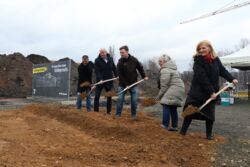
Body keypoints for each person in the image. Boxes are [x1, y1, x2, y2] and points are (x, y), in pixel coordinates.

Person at [180, 40, 238, 140]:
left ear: (210, 48)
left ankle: (208, 135)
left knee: (210, 115)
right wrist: (211, 91)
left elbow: (222, 71)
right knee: (189, 111)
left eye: (204, 48)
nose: (201, 50)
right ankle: (182, 132)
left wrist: (231, 78)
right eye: (199, 49)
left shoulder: (215, 59)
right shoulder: (197, 61)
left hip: (212, 93)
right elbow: (202, 78)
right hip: (198, 92)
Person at [116, 45, 148, 119]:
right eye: (120, 53)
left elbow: (140, 68)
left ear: (127, 52)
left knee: (134, 100)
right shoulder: (120, 62)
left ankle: (133, 115)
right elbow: (120, 75)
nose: (121, 54)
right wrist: (126, 84)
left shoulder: (134, 60)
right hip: (122, 84)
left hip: (133, 83)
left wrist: (144, 76)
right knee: (120, 99)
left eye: (123, 52)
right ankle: (118, 115)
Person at [156, 54, 185, 131]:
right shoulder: (172, 68)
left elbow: (164, 86)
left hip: (174, 88)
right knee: (172, 107)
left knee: (165, 104)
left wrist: (158, 97)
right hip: (180, 88)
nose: (159, 63)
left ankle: (165, 125)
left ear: (165, 61)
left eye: (160, 61)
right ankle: (174, 126)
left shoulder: (165, 70)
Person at [94, 48, 117, 114]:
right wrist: (100, 79)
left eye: (104, 52)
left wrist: (117, 75)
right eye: (101, 53)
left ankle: (108, 111)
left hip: (109, 81)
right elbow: (97, 71)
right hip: (100, 81)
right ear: (100, 53)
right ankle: (96, 111)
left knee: (109, 96)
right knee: (97, 96)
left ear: (106, 52)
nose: (103, 54)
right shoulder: (97, 60)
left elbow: (114, 68)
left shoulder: (110, 59)